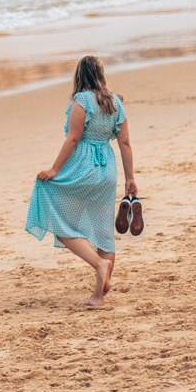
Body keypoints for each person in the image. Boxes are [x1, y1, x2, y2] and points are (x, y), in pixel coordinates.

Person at [24, 55, 138, 309]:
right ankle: (99, 297)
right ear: (101, 73)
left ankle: (98, 264)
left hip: (83, 167)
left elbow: (73, 139)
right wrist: (130, 178)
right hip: (107, 169)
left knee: (60, 220)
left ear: (79, 75)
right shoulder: (116, 103)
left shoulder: (82, 100)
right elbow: (125, 143)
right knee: (103, 233)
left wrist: (54, 169)